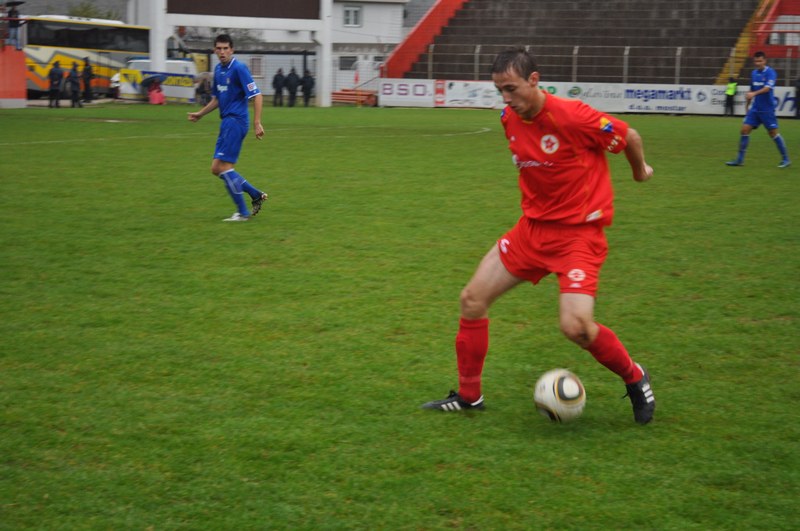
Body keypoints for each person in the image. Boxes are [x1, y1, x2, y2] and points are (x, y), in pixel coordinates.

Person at [421, 48, 656, 425]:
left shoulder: (573, 116)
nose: (506, 99)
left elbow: (629, 135)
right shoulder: (508, 118)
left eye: (512, 89)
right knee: (471, 299)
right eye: (500, 90)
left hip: (578, 236)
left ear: (534, 80)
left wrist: (639, 171)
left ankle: (635, 377)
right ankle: (468, 397)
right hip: (531, 232)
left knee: (576, 327)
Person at [187, 34, 268, 222]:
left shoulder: (239, 68)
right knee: (216, 168)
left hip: (236, 122)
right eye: (219, 48)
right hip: (226, 123)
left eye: (225, 48)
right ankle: (255, 194)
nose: (222, 52)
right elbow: (217, 99)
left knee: (224, 168)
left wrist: (257, 123)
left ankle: (242, 213)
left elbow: (257, 95)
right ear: (215, 50)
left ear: (232, 50)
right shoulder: (218, 69)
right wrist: (200, 114)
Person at [726, 51, 790, 168]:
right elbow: (751, 90)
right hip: (755, 109)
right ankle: (739, 160)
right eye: (756, 61)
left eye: (760, 61)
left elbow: (767, 88)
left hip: (767, 110)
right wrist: (747, 106)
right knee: (744, 130)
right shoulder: (754, 73)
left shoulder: (770, 72)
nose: (758, 63)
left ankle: (786, 159)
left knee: (773, 133)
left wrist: (754, 94)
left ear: (765, 61)